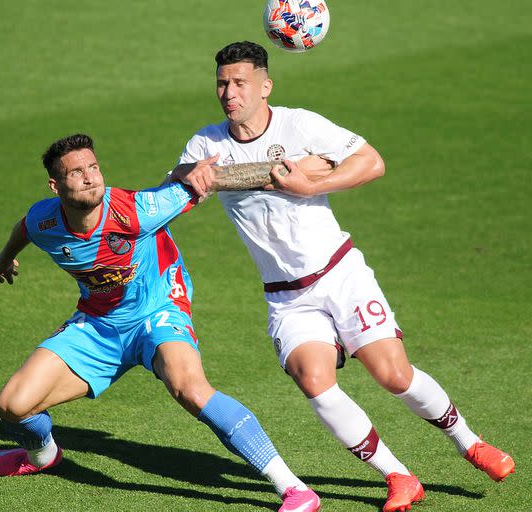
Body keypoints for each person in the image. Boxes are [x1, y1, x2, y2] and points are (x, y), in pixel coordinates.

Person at [168, 41, 515, 512]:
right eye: (222, 83)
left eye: (240, 82)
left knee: (393, 375)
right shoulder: (206, 144)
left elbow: (371, 162)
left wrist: (312, 182)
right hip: (287, 297)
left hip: (339, 273)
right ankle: (398, 476)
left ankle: (469, 442)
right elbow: (183, 180)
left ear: (265, 86)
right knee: (314, 380)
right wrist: (266, 173)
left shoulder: (301, 124)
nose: (229, 92)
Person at [0, 133, 321, 512]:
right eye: (77, 172)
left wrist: (291, 169)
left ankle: (293, 489)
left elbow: (208, 181)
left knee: (189, 388)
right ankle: (42, 456)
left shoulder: (138, 209)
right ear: (56, 186)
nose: (91, 177)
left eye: (94, 167)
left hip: (159, 312)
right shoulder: (47, 219)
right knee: (13, 405)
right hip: (100, 324)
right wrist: (3, 259)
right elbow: (25, 227)